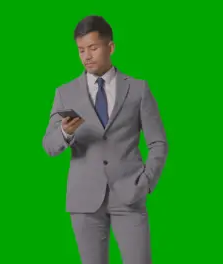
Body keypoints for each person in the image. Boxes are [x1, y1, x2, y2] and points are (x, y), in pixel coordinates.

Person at [42, 15, 168, 264]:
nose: (86, 56)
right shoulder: (65, 92)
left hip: (129, 196)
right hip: (84, 200)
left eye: (93, 48)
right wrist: (66, 133)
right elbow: (48, 145)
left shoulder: (138, 89)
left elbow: (158, 143)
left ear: (110, 47)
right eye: (81, 50)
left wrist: (145, 182)